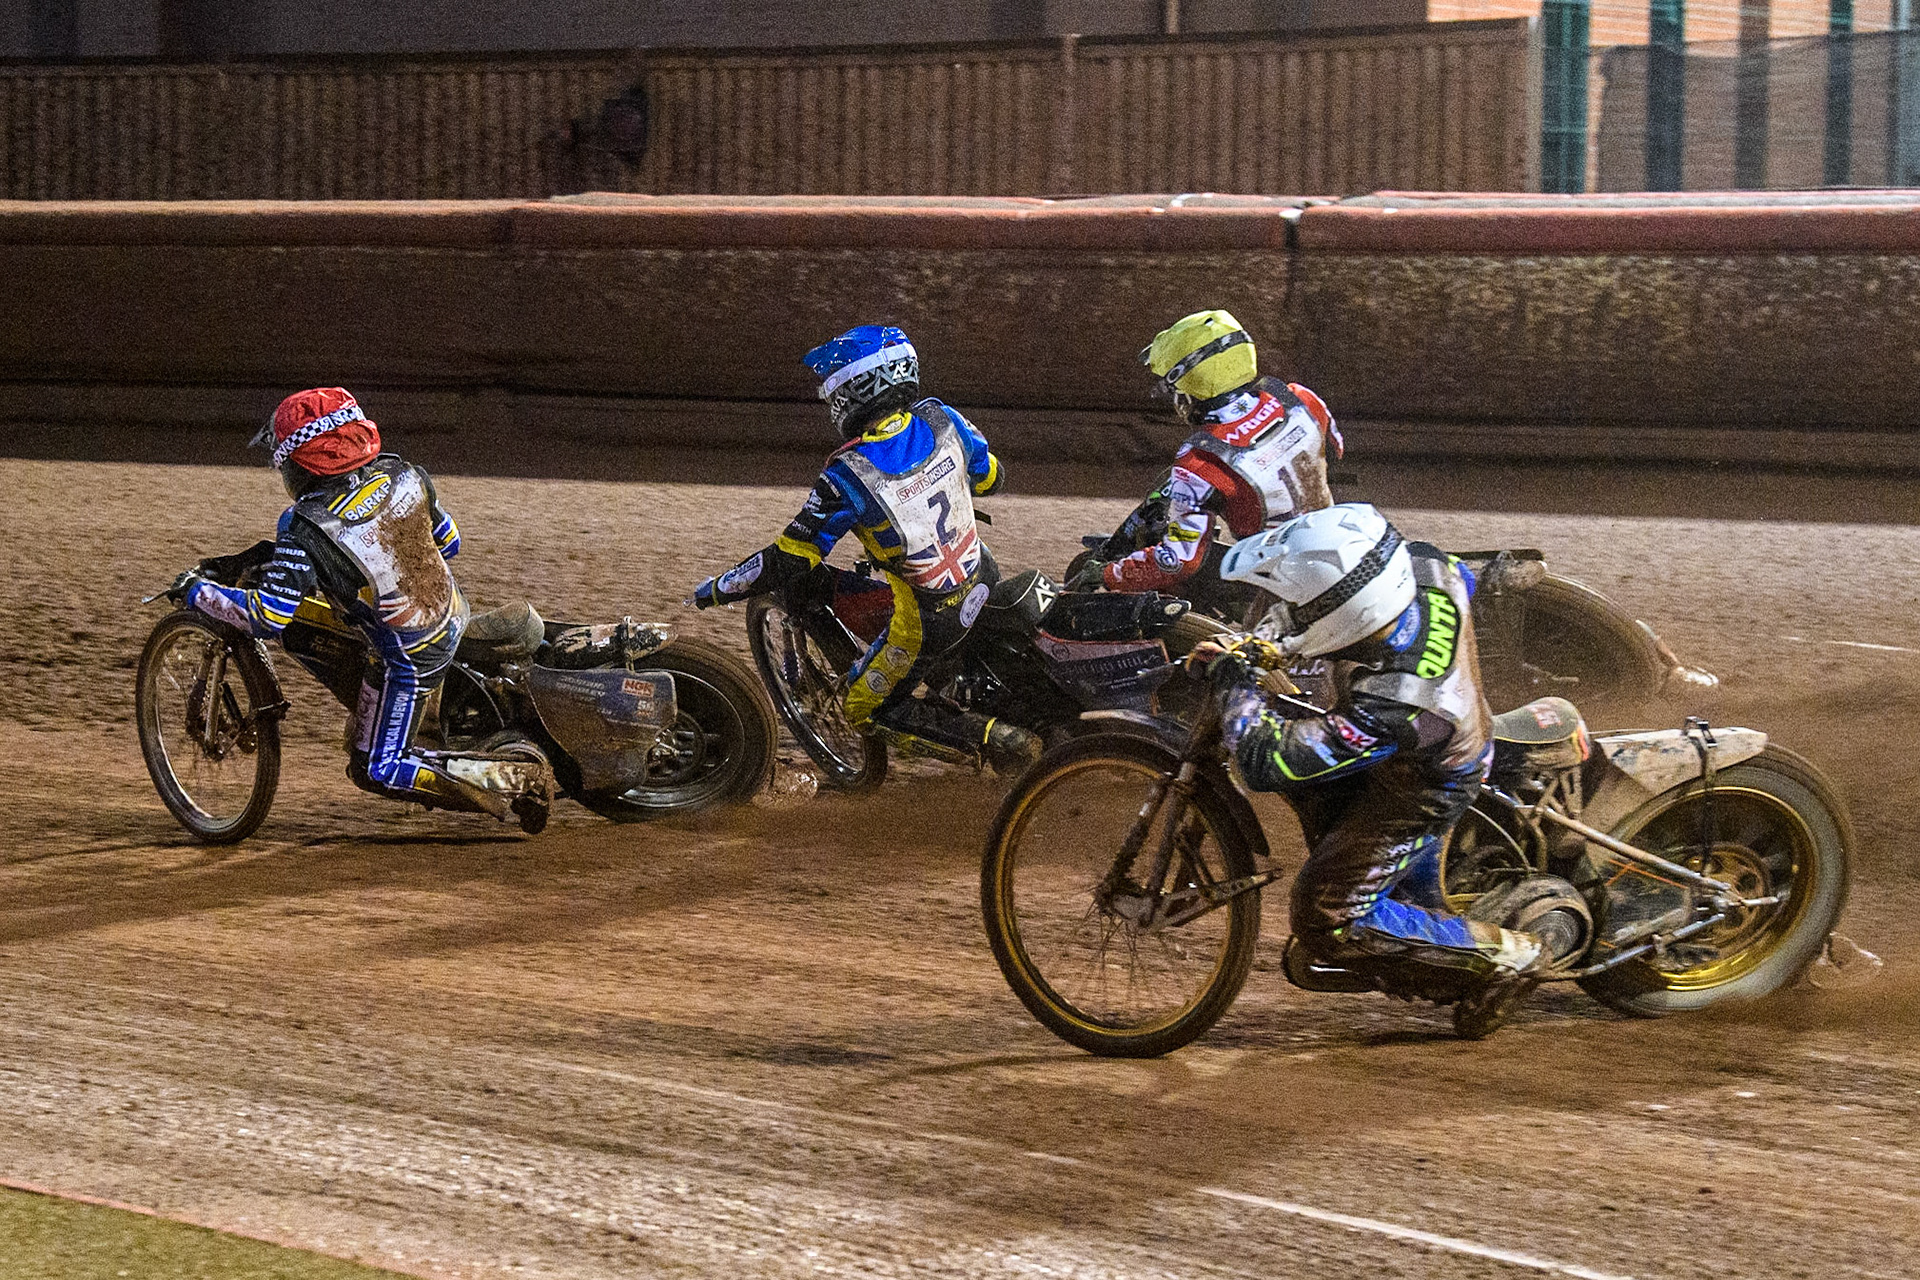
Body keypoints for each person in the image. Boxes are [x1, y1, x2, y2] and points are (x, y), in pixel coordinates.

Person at [1189, 503, 1548, 1031]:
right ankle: (1420, 914)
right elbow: (1460, 580)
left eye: (1303, 607)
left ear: (1347, 615)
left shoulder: (1394, 702)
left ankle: (1508, 955)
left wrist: (1233, 680)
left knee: (1326, 917)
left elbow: (1269, 763)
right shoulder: (1423, 564)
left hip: (1426, 783)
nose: (1292, 612)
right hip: (1432, 736)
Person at [176, 387, 550, 829]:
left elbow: (268, 615)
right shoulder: (404, 473)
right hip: (453, 610)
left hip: (410, 658)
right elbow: (449, 543)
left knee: (376, 767)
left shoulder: (305, 528)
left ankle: (514, 780)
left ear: (301, 463)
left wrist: (194, 592)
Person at [691, 324, 1038, 772]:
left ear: (855, 390)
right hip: (982, 574)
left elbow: (789, 559)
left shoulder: (847, 476)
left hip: (930, 622)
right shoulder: (943, 416)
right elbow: (991, 479)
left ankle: (993, 740)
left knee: (864, 707)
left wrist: (715, 589)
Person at [1073, 309, 1343, 599]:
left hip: (1282, 589)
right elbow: (1336, 449)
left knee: (1169, 577)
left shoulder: (1200, 463)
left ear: (1189, 386)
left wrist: (1109, 575)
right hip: (1337, 545)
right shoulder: (1300, 397)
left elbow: (1178, 561)